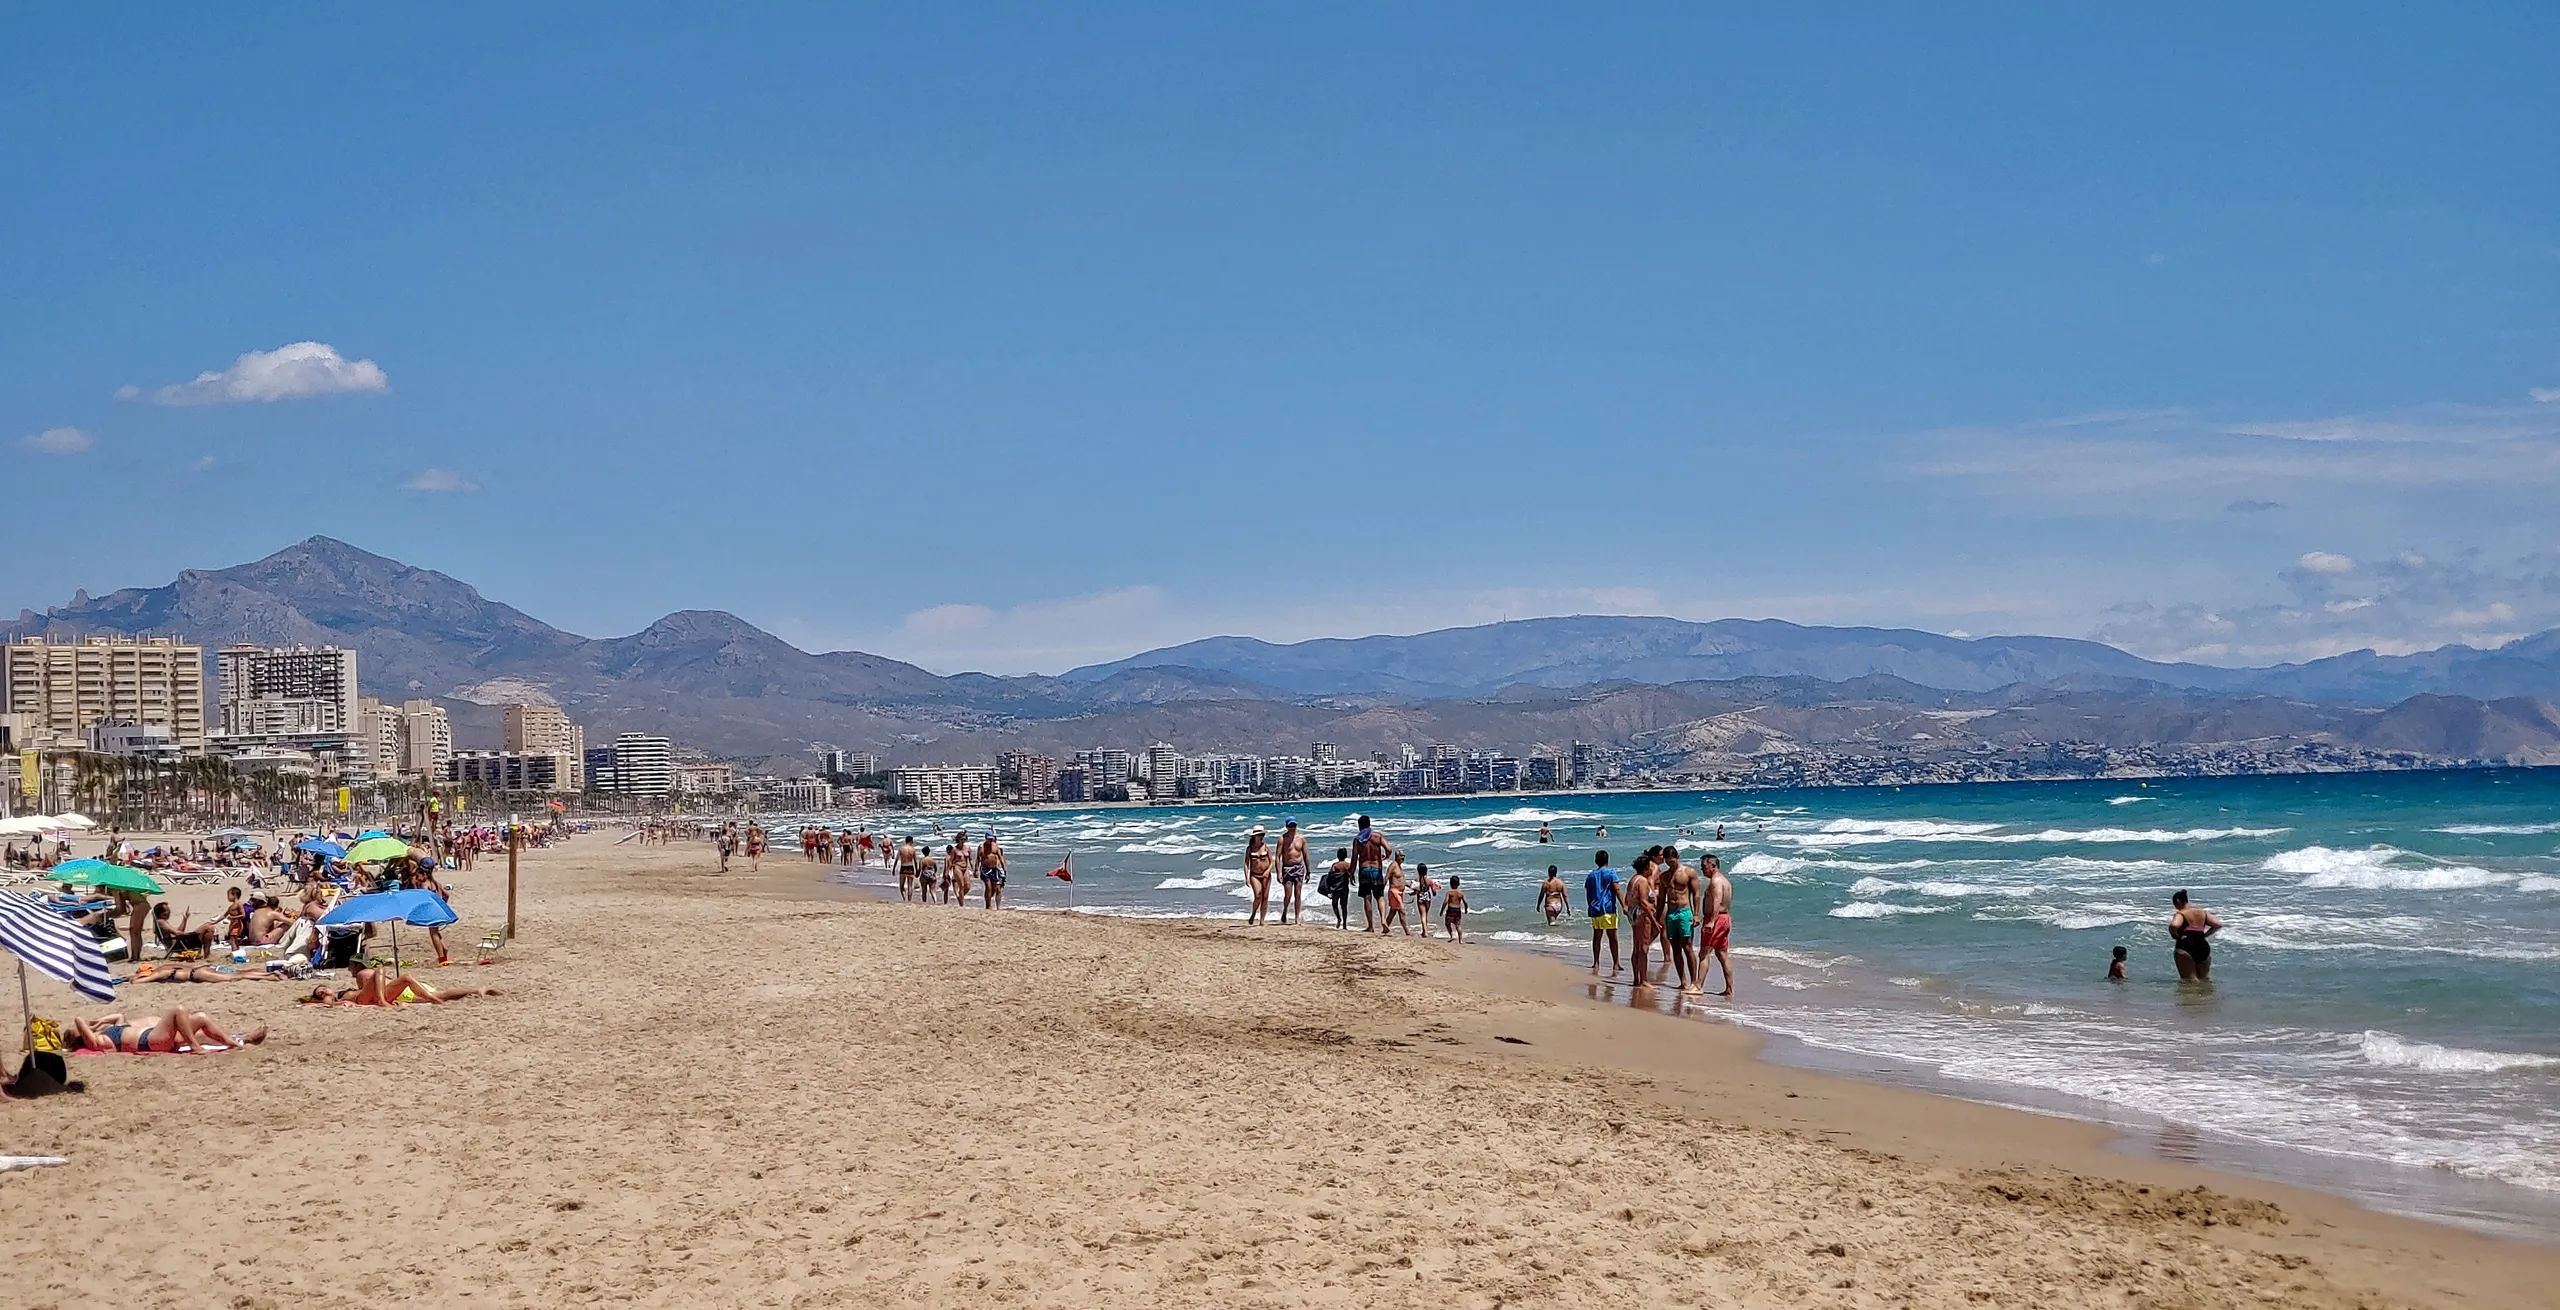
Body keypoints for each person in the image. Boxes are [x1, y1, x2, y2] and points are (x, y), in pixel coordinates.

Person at [66, 1008, 266, 1052]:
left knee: (201, 1018)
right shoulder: (97, 1042)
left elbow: (118, 1016)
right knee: (178, 1011)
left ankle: (239, 1040)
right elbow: (78, 1019)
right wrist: (88, 1027)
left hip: (154, 1036)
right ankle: (195, 1047)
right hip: (149, 1041)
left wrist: (100, 1021)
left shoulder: (107, 1032)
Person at [305, 965, 500, 1006]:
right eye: (320, 992)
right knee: (382, 971)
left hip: (376, 995)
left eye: (323, 988)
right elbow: (323, 1004)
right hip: (371, 998)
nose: (324, 991)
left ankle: (475, 990)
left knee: (406, 978)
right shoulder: (332, 998)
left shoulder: (361, 977)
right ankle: (475, 990)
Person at [1659, 846, 1704, 995]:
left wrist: (1696, 914)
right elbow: (1661, 899)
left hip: (1684, 912)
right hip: (1671, 913)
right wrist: (1657, 917)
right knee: (1675, 948)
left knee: (1687, 946)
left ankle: (1694, 982)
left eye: (1672, 861)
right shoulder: (1664, 876)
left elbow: (1696, 894)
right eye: (1667, 861)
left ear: (1677, 857)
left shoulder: (1688, 872)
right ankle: (1682, 982)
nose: (1670, 863)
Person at [1702, 853, 1735, 997]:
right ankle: (1729, 989)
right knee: (1722, 954)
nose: (1702, 869)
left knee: (1704, 953)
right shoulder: (1725, 881)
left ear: (1713, 866)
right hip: (1724, 918)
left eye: (1704, 866)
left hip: (1716, 919)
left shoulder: (1716, 881)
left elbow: (1717, 900)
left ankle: (1698, 985)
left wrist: (1711, 921)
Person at [2169, 889, 2221, 981]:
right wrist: (2205, 935)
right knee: (2205, 980)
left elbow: (2174, 925)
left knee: (2189, 981)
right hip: (2203, 946)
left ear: (2178, 901)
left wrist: (2175, 935)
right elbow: (2218, 924)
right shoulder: (2202, 912)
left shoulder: (2181, 913)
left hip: (2185, 946)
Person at [1625, 853, 1659, 987]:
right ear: (1646, 868)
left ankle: (1636, 978)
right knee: (1643, 948)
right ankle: (1643, 980)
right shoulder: (1643, 881)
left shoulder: (1633, 879)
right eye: (1650, 867)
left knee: (1637, 947)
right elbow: (1644, 903)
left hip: (1633, 913)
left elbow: (1627, 899)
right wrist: (1654, 920)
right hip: (1642, 915)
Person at [1585, 851, 1621, 977]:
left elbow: (1588, 893)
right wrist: (1624, 904)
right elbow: (1617, 889)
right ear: (1607, 860)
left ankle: (1596, 962)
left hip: (1595, 909)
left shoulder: (1591, 875)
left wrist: (1590, 907)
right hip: (1608, 909)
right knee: (1612, 937)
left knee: (1597, 937)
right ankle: (1616, 963)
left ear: (1596, 861)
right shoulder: (1611, 873)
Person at [1352, 816, 1390, 933]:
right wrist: (1385, 857)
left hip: (1364, 870)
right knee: (1380, 896)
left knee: (1367, 897)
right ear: (1369, 824)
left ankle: (1371, 926)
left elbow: (1354, 858)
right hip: (1376, 869)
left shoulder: (1357, 840)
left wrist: (1351, 873)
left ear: (1359, 826)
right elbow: (1389, 849)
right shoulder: (1377, 836)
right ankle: (1383, 920)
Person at [1276, 820, 1309, 926]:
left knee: (1298, 894)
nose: (1292, 827)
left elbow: (1305, 855)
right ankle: (1285, 910)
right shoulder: (1282, 839)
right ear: (1286, 826)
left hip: (1299, 868)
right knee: (1288, 894)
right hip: (1287, 868)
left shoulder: (1301, 838)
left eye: (1294, 825)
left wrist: (1308, 871)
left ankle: (1297, 917)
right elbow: (1278, 857)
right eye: (1290, 825)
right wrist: (1278, 873)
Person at [1244, 827, 1275, 926]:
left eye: (1263, 835)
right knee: (1258, 895)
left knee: (1265, 897)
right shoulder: (1250, 848)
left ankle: (1262, 920)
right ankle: (1253, 913)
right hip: (1255, 875)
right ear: (1255, 836)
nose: (1262, 837)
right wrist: (1246, 876)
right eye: (1260, 835)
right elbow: (1246, 863)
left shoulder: (1266, 847)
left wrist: (1268, 871)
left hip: (1266, 875)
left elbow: (1272, 862)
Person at [1381, 849, 1412, 936]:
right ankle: (1407, 932)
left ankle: (1385, 928)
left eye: (1403, 856)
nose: (1403, 858)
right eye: (1401, 856)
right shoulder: (1393, 865)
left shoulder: (1399, 866)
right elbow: (1386, 877)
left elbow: (1400, 880)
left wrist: (1411, 885)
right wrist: (1381, 891)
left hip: (1400, 892)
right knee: (1402, 911)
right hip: (1394, 891)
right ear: (1396, 856)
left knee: (1393, 911)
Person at [1321, 848, 1353, 929]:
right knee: (1344, 906)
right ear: (1346, 855)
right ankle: (1344, 925)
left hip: (1336, 888)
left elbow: (1331, 876)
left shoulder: (1335, 865)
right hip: (1344, 888)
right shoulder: (1348, 865)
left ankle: (1339, 918)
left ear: (1338, 855)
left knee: (1334, 904)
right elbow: (1351, 875)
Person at [979, 832, 1006, 909]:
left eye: (991, 839)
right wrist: (976, 869)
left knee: (996, 888)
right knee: (988, 886)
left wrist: (1004, 868)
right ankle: (988, 905)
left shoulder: (996, 846)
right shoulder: (982, 847)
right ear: (986, 838)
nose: (990, 840)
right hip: (985, 869)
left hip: (995, 869)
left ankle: (997, 906)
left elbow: (1000, 857)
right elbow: (978, 858)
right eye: (989, 839)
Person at [1414, 863, 1438, 937]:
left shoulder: (1417, 880)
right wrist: (1436, 889)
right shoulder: (1429, 880)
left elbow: (1416, 891)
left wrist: (1412, 894)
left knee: (1423, 914)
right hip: (1427, 897)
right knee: (1425, 914)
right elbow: (1434, 892)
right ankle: (1425, 930)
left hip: (1420, 897)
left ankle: (1425, 932)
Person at [1442, 876, 1468, 942]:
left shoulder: (1449, 892)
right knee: (1458, 925)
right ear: (1459, 884)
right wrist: (1466, 909)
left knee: (1447, 924)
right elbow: (1465, 902)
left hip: (1450, 909)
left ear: (1450, 884)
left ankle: (1452, 935)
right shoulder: (1461, 893)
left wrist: (1442, 910)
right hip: (1457, 910)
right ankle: (1460, 940)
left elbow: (1445, 902)